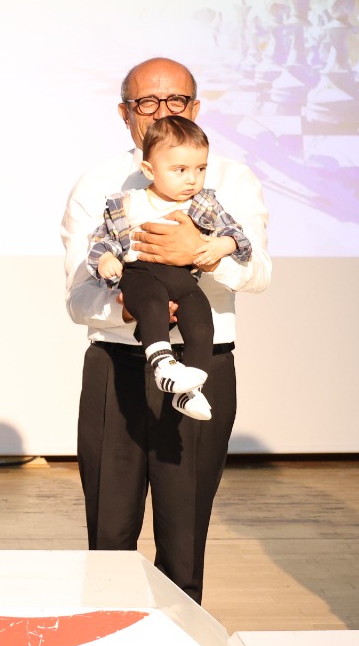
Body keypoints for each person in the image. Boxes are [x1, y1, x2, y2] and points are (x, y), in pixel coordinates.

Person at [61, 58, 270, 604]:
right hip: (117, 368)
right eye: (146, 103)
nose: (161, 112)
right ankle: (108, 637)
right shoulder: (101, 186)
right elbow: (79, 298)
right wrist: (130, 307)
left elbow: (259, 272)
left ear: (195, 108)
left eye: (175, 101)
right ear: (125, 113)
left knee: (183, 538)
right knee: (109, 534)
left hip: (203, 365)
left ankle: (181, 645)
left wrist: (200, 254)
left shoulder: (229, 181)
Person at [87, 114, 252, 423]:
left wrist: (222, 245)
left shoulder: (204, 205)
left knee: (201, 321)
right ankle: (163, 366)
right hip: (140, 274)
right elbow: (102, 240)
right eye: (180, 170)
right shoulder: (128, 204)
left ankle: (191, 390)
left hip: (182, 279)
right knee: (152, 306)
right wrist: (106, 259)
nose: (192, 179)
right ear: (149, 170)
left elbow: (238, 235)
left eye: (200, 169)